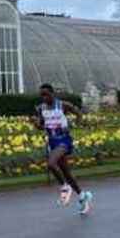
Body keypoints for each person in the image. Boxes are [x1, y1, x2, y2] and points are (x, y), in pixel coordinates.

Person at [33, 84, 94, 214]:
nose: (44, 97)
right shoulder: (41, 108)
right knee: (66, 173)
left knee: (51, 163)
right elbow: (41, 125)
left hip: (64, 140)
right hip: (53, 142)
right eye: (42, 95)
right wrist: (35, 123)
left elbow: (78, 113)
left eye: (46, 94)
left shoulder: (62, 105)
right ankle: (83, 197)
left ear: (52, 94)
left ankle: (65, 187)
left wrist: (78, 122)